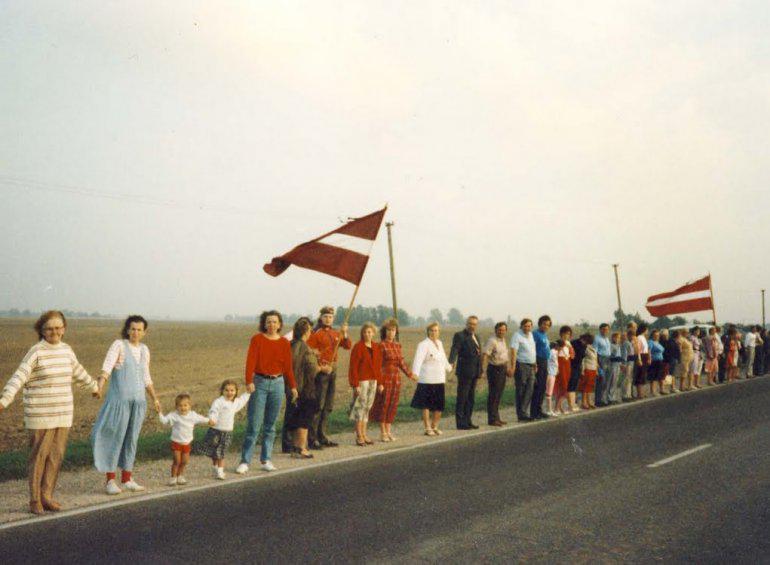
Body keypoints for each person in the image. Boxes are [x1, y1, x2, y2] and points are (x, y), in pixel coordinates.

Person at [0, 311, 100, 514]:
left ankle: (47, 496)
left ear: (64, 329)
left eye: (58, 327)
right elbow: (18, 377)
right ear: (42, 331)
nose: (54, 332)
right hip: (40, 415)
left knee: (56, 456)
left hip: (62, 413)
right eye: (49, 328)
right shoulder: (36, 352)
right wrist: (4, 400)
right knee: (39, 457)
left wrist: (94, 387)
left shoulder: (67, 350)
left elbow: (78, 372)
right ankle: (34, 500)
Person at [91, 315, 161, 495]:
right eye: (132, 329)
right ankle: (110, 481)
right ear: (127, 330)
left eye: (139, 329)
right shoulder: (119, 345)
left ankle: (127, 478)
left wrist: (155, 398)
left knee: (131, 439)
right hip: (119, 403)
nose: (135, 332)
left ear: (144, 332)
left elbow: (146, 377)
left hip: (138, 403)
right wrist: (99, 386)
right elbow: (107, 367)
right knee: (115, 437)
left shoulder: (145, 350)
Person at [236, 310, 297, 475]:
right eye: (268, 321)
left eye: (275, 322)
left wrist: (292, 386)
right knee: (254, 424)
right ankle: (245, 461)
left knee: (270, 425)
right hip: (260, 383)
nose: (272, 324)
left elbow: (288, 367)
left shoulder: (284, 343)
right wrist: (249, 381)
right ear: (264, 323)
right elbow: (251, 361)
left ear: (280, 324)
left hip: (278, 383)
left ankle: (266, 459)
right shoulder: (257, 340)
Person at [307, 306, 351, 450]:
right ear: (321, 318)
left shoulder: (335, 333)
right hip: (322, 370)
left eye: (331, 317)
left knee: (328, 405)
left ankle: (322, 435)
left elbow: (347, 345)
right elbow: (310, 352)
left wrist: (344, 333)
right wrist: (321, 365)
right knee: (318, 405)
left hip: (334, 369)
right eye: (325, 316)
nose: (328, 319)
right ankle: (312, 439)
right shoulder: (316, 333)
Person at [285, 317, 329, 458]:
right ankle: (302, 448)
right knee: (304, 419)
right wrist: (323, 368)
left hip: (292, 387)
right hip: (305, 388)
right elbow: (312, 369)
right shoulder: (305, 348)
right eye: (309, 330)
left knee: (296, 417)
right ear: (305, 331)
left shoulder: (291, 345)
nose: (311, 332)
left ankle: (295, 448)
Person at [370, 319, 416, 441]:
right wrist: (379, 383)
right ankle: (383, 432)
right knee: (384, 404)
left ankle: (389, 430)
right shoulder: (381, 346)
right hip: (385, 378)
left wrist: (410, 375)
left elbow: (401, 363)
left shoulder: (397, 345)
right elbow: (377, 365)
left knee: (393, 404)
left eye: (393, 330)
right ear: (384, 332)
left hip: (396, 379)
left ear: (396, 332)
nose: (391, 333)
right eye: (388, 330)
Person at [158, 393, 213, 485]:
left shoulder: (193, 415)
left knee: (185, 461)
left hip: (187, 443)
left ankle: (180, 476)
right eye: (180, 406)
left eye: (185, 405)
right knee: (177, 460)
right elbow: (164, 421)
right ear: (176, 407)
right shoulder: (174, 415)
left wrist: (209, 420)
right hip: (176, 442)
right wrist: (159, 412)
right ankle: (173, 477)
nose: (183, 408)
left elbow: (201, 418)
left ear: (189, 406)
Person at [201, 380, 250, 479]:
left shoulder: (235, 402)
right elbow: (213, 411)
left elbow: (242, 400)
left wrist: (248, 392)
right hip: (215, 431)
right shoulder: (219, 401)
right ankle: (215, 467)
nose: (229, 393)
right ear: (222, 391)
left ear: (236, 391)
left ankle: (220, 471)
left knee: (221, 452)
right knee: (214, 452)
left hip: (227, 432)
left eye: (232, 390)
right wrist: (212, 419)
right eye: (226, 390)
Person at [410, 322, 452, 436]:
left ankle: (435, 426)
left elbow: (443, 358)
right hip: (426, 378)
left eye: (436, 330)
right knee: (426, 405)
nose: (434, 333)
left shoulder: (440, 343)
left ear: (439, 332)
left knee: (439, 405)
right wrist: (415, 373)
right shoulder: (423, 344)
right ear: (428, 332)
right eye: (432, 330)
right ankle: (427, 427)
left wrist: (449, 367)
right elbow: (418, 360)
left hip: (439, 378)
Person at [348, 322, 383, 446]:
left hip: (373, 381)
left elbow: (378, 367)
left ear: (373, 333)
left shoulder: (376, 347)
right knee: (360, 408)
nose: (367, 334)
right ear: (362, 334)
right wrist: (355, 384)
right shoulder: (358, 347)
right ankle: (359, 436)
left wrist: (380, 383)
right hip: (362, 381)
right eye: (365, 332)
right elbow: (353, 367)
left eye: (369, 332)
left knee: (367, 407)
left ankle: (364, 433)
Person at [449, 316, 483, 429]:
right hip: (464, 372)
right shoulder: (460, 335)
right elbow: (454, 349)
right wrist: (451, 361)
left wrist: (481, 370)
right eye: (470, 323)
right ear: (466, 324)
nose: (472, 326)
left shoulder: (476, 337)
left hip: (474, 372)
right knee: (462, 398)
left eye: (474, 324)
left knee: (470, 398)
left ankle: (468, 420)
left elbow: (478, 354)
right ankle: (460, 423)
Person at [481, 322, 510, 426]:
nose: (501, 331)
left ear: (506, 331)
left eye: (503, 330)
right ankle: (492, 419)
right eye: (499, 330)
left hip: (502, 368)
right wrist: (482, 370)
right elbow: (485, 355)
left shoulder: (503, 340)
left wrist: (507, 369)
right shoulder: (492, 341)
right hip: (494, 369)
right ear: (495, 330)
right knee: (493, 395)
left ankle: (497, 417)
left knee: (499, 394)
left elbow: (504, 356)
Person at [510, 319, 537, 422]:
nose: (527, 328)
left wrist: (535, 363)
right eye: (525, 326)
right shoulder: (517, 335)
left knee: (530, 389)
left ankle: (524, 411)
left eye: (529, 326)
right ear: (521, 326)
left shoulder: (531, 335)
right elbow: (513, 351)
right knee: (521, 390)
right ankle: (521, 415)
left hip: (531, 365)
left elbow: (532, 350)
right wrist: (513, 366)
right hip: (521, 365)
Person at [530, 315, 553, 420]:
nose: (546, 326)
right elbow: (532, 349)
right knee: (538, 387)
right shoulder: (535, 334)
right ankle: (534, 412)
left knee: (543, 387)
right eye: (544, 324)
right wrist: (535, 363)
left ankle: (539, 410)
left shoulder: (544, 335)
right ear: (540, 324)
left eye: (548, 325)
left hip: (545, 361)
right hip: (538, 361)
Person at [554, 326, 575, 413]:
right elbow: (555, 354)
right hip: (560, 364)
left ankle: (559, 407)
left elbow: (573, 356)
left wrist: (570, 348)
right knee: (562, 386)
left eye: (569, 334)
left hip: (567, 364)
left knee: (565, 385)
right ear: (561, 334)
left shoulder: (569, 343)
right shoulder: (558, 343)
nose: (567, 335)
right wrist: (562, 346)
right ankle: (556, 408)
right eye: (565, 333)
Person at [593, 323, 612, 407]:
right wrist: (596, 363)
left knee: (607, 380)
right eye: (603, 329)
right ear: (600, 329)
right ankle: (598, 400)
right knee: (601, 380)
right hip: (601, 359)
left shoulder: (607, 339)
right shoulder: (597, 339)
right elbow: (595, 352)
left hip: (608, 359)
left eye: (607, 329)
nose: (605, 331)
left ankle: (604, 399)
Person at [569, 332, 588, 410]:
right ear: (582, 338)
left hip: (578, 366)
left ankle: (574, 403)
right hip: (572, 366)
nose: (586, 343)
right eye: (585, 341)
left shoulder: (584, 345)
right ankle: (571, 405)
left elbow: (582, 356)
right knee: (571, 385)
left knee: (575, 385)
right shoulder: (573, 343)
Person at [578, 334, 598, 409]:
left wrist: (596, 369)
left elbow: (595, 359)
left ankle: (589, 402)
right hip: (587, 368)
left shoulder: (593, 348)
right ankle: (584, 403)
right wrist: (582, 370)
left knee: (590, 386)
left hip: (593, 368)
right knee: (585, 386)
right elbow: (583, 360)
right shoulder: (585, 348)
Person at [633, 323, 650, 399]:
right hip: (641, 356)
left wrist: (649, 357)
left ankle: (642, 393)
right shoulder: (639, 337)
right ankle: (639, 394)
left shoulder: (644, 337)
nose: (648, 331)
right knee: (639, 374)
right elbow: (638, 349)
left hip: (645, 356)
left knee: (643, 375)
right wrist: (639, 359)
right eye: (647, 329)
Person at [661, 329, 680, 394]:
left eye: (666, 335)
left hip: (672, 359)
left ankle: (672, 387)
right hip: (667, 359)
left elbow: (677, 349)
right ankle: (667, 388)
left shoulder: (671, 341)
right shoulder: (663, 342)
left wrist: (677, 358)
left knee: (671, 374)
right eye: (664, 335)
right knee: (667, 374)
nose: (665, 336)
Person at [647, 329, 665, 396]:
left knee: (659, 375)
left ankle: (661, 389)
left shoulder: (657, 342)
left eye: (658, 335)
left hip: (660, 360)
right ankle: (652, 391)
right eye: (655, 335)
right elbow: (649, 350)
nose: (657, 336)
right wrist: (649, 359)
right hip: (654, 361)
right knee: (653, 376)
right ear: (652, 335)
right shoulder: (650, 342)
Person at [544, 341, 559, 416]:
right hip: (550, 374)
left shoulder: (552, 352)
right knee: (549, 392)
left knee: (549, 392)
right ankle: (549, 410)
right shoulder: (553, 352)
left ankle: (549, 409)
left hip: (551, 373)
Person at [608, 332, 624, 404]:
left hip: (618, 364)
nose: (617, 339)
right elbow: (610, 356)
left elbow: (619, 355)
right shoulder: (611, 346)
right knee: (611, 381)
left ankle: (613, 397)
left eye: (619, 338)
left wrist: (621, 364)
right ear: (613, 338)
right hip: (612, 365)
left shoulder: (618, 346)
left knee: (615, 381)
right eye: (616, 337)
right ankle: (609, 398)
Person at [620, 330, 635, 401]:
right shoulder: (626, 343)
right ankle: (624, 395)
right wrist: (624, 364)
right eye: (631, 335)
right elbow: (624, 354)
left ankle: (628, 395)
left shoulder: (631, 343)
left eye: (633, 335)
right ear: (628, 336)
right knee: (626, 379)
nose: (632, 337)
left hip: (631, 362)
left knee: (629, 379)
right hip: (628, 362)